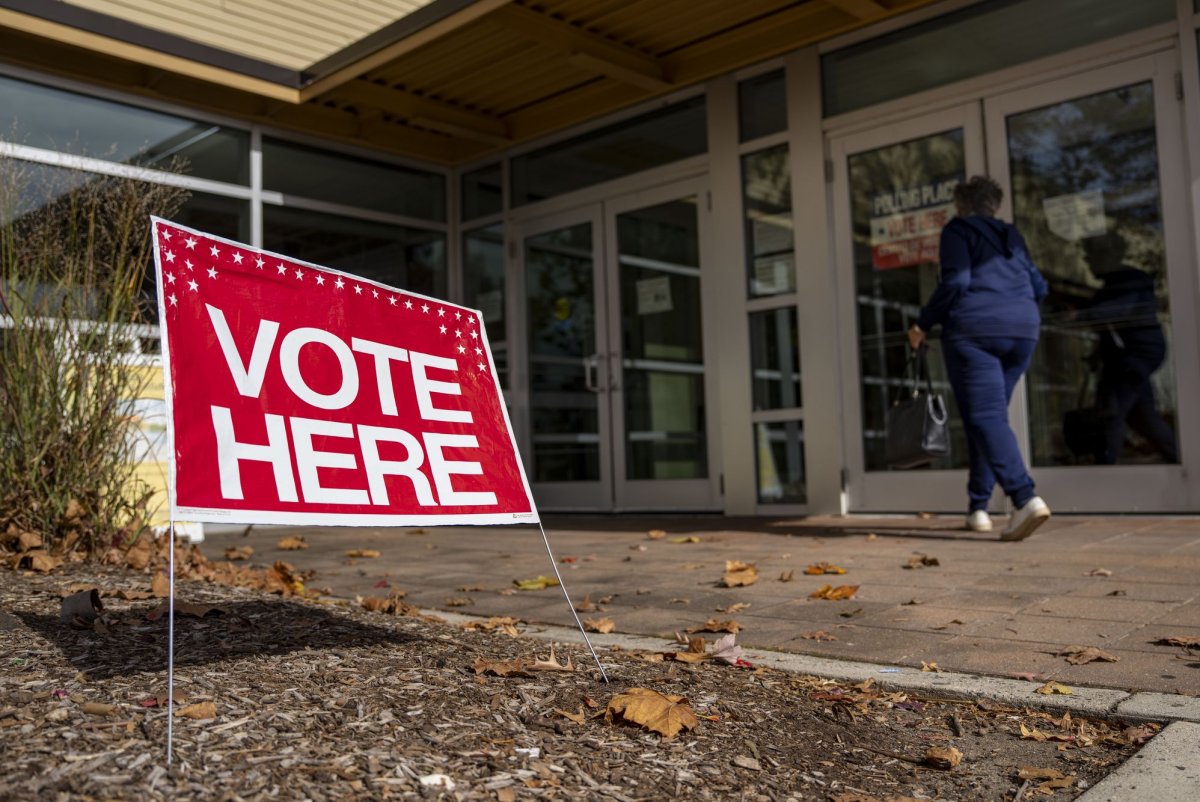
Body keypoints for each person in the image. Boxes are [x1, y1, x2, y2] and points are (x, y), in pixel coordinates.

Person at [907, 176, 1050, 541]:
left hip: (976, 331)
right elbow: (1039, 287)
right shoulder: (1011, 235)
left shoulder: (957, 230)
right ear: (994, 205)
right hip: (1022, 329)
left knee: (985, 415)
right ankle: (979, 508)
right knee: (987, 418)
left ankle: (1024, 497)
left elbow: (956, 281)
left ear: (959, 204)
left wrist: (922, 323)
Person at [1078, 231, 1177, 464]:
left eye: (1090, 257)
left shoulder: (1131, 282)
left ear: (1107, 256)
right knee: (1143, 418)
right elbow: (1108, 325)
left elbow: (1114, 312)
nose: (1088, 262)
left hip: (1133, 359)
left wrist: (1081, 315)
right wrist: (1097, 354)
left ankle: (1104, 474)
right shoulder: (1113, 285)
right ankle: (1180, 461)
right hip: (1129, 358)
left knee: (1111, 415)